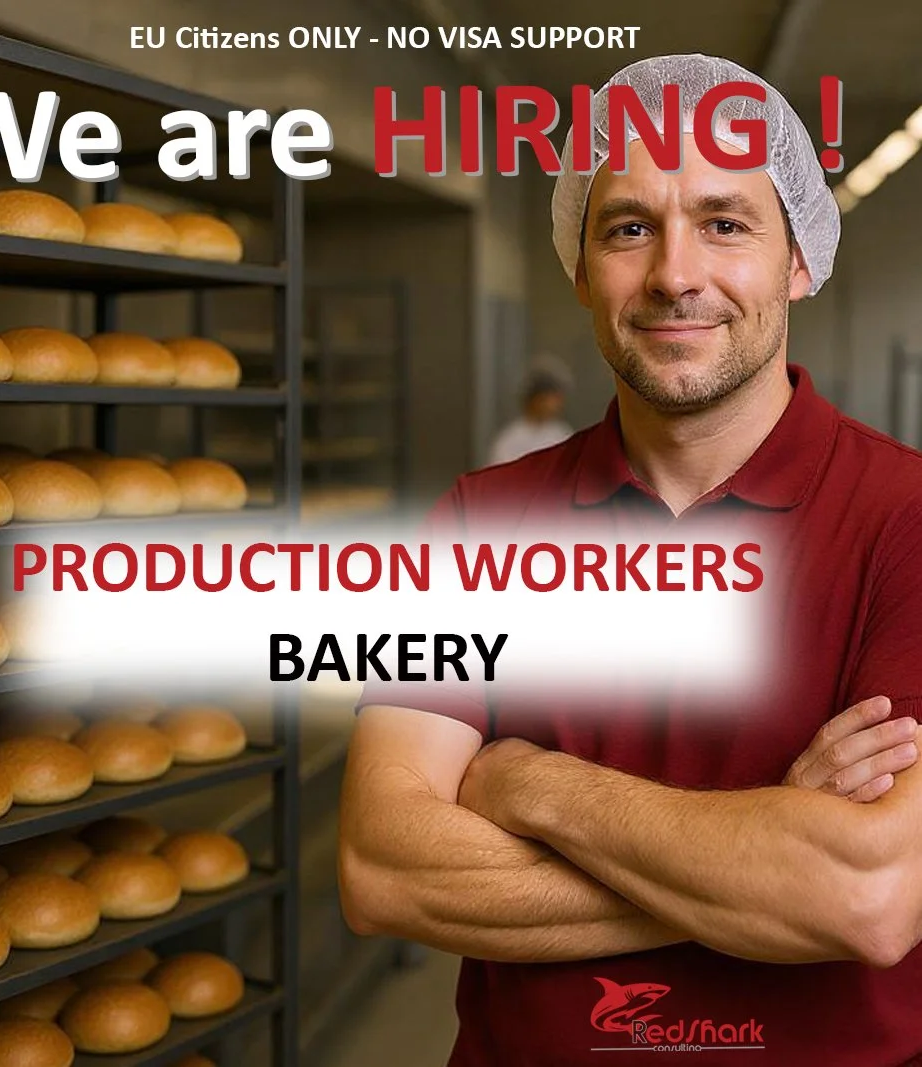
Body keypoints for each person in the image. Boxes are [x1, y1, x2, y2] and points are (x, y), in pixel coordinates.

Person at [338, 54, 922, 1066]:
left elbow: (866, 896)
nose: (672, 274)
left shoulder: (906, 517)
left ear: (797, 259)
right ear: (578, 264)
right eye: (626, 227)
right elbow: (382, 866)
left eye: (724, 221)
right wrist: (766, 851)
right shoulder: (476, 520)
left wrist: (531, 784)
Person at [487, 357, 574, 465]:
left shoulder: (562, 435)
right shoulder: (510, 440)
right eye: (552, 397)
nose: (557, 403)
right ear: (536, 398)